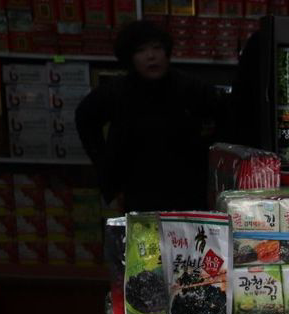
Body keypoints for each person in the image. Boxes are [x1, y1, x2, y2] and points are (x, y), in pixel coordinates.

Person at [76, 21, 222, 212]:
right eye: (141, 50)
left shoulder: (191, 88)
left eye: (157, 48)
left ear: (167, 52)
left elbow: (224, 121)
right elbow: (85, 120)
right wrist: (108, 180)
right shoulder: (116, 92)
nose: (151, 56)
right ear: (130, 57)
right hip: (137, 194)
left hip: (189, 194)